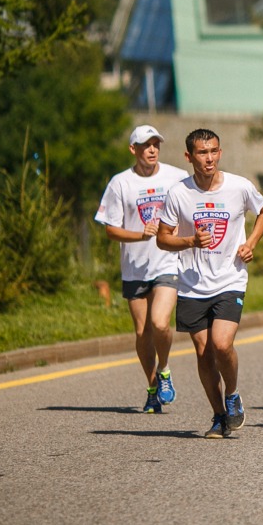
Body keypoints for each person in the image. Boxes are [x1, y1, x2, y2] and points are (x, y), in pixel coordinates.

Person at [157, 129, 263, 439]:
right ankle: (219, 415)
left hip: (230, 278)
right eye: (202, 153)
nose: (209, 158)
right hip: (192, 284)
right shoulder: (178, 193)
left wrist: (251, 243)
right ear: (188, 157)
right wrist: (189, 241)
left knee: (222, 344)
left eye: (213, 151)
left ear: (219, 153)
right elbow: (162, 239)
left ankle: (232, 394)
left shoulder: (239, 186)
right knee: (203, 352)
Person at [93, 124, 185, 413]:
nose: (152, 149)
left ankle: (166, 370)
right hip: (134, 268)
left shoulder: (177, 177)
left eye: (156, 143)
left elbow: (190, 209)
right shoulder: (120, 183)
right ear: (133, 149)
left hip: (167, 262)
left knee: (160, 323)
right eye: (146, 145)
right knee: (143, 332)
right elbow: (110, 230)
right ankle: (152, 387)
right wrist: (140, 235)